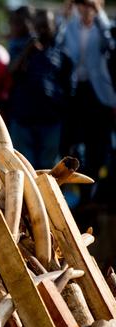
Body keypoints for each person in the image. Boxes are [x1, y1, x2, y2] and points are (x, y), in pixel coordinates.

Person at [57, 0, 116, 204]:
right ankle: (75, 192)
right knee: (69, 142)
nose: (84, 8)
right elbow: (58, 45)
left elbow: (111, 43)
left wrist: (100, 15)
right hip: (75, 91)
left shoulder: (102, 27)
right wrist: (64, 16)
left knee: (97, 145)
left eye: (88, 3)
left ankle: (92, 195)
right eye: (80, 3)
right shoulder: (71, 26)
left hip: (97, 93)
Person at [8, 9, 65, 169]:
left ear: (53, 26)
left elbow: (68, 89)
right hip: (23, 121)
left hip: (51, 123)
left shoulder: (61, 53)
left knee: (48, 170)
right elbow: (12, 71)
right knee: (26, 168)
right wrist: (28, 50)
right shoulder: (20, 47)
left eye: (45, 26)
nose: (42, 30)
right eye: (38, 26)